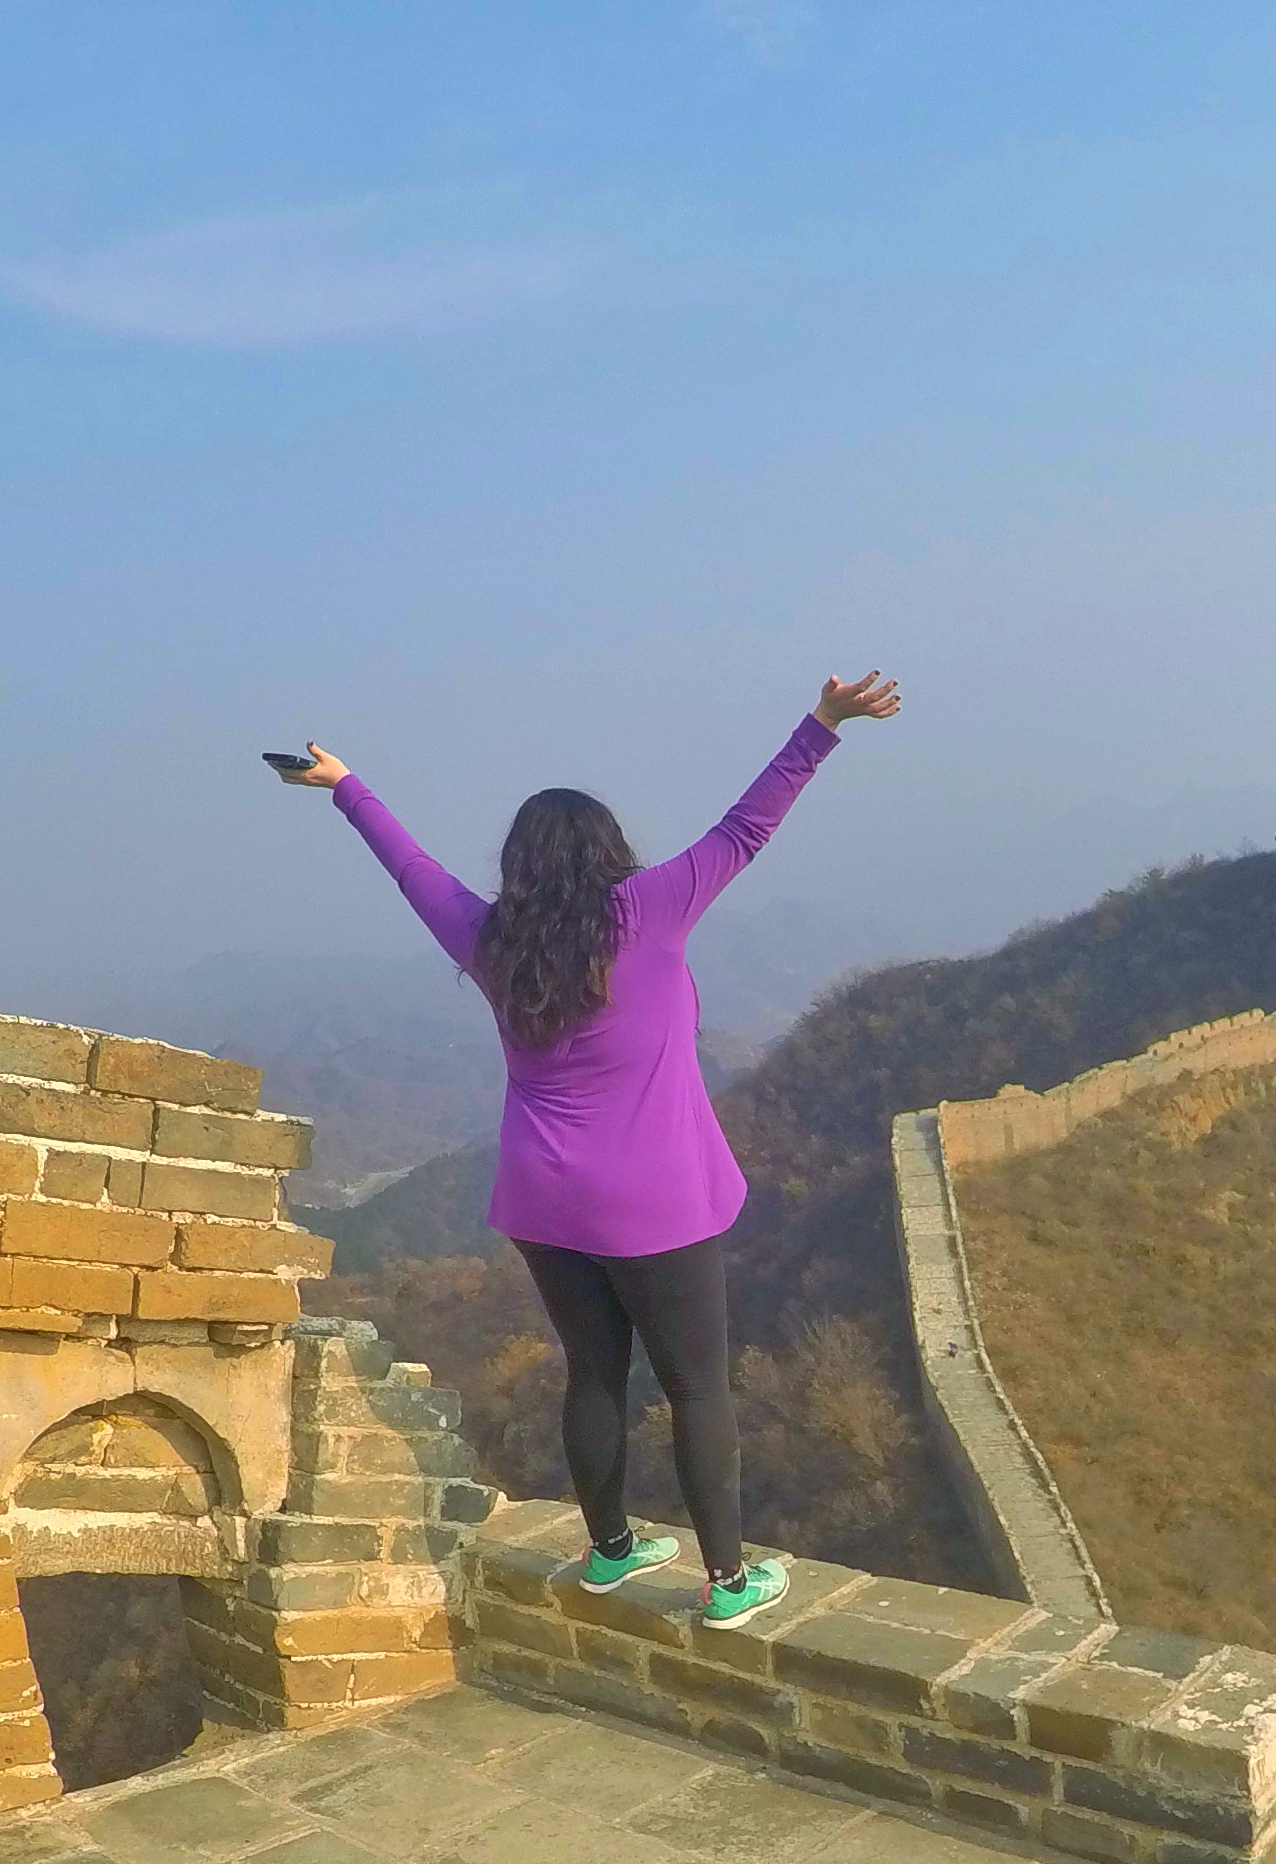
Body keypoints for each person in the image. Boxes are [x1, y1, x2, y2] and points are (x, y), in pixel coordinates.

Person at [286, 673, 902, 1628]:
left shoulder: (489, 937)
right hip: (654, 1201)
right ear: (609, 850)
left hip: (541, 1200)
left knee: (593, 1372)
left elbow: (411, 869)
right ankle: (730, 1581)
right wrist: (822, 724)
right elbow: (749, 826)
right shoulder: (651, 909)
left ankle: (610, 1549)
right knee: (698, 1386)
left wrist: (346, 785)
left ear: (521, 864)